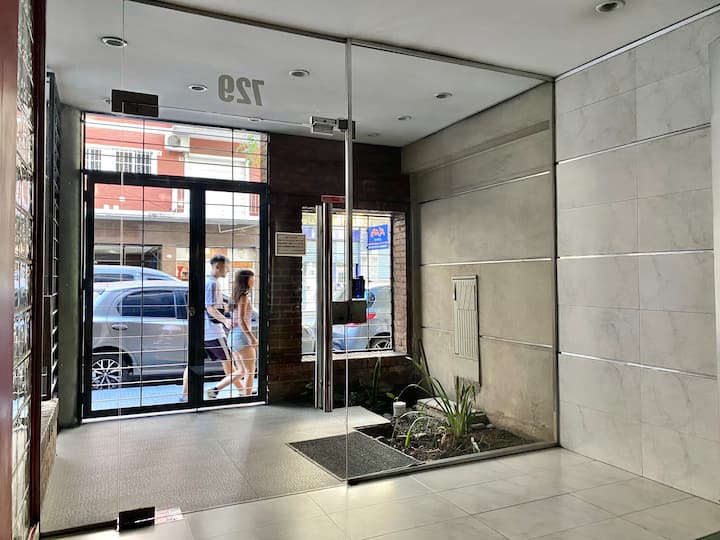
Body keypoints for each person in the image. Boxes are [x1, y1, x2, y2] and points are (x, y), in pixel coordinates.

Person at [180, 254, 244, 402]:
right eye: (227, 267)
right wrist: (225, 320)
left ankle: (184, 395)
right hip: (213, 331)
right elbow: (210, 308)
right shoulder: (212, 284)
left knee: (192, 363)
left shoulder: (204, 282)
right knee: (228, 361)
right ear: (218, 267)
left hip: (200, 330)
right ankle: (243, 391)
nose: (228, 271)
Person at [228, 269, 258, 396]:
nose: (254, 280)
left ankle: (216, 389)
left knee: (242, 370)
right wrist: (251, 337)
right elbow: (241, 320)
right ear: (246, 280)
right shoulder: (244, 297)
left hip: (233, 336)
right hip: (242, 337)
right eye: (252, 278)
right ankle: (247, 397)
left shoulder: (235, 296)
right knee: (250, 371)